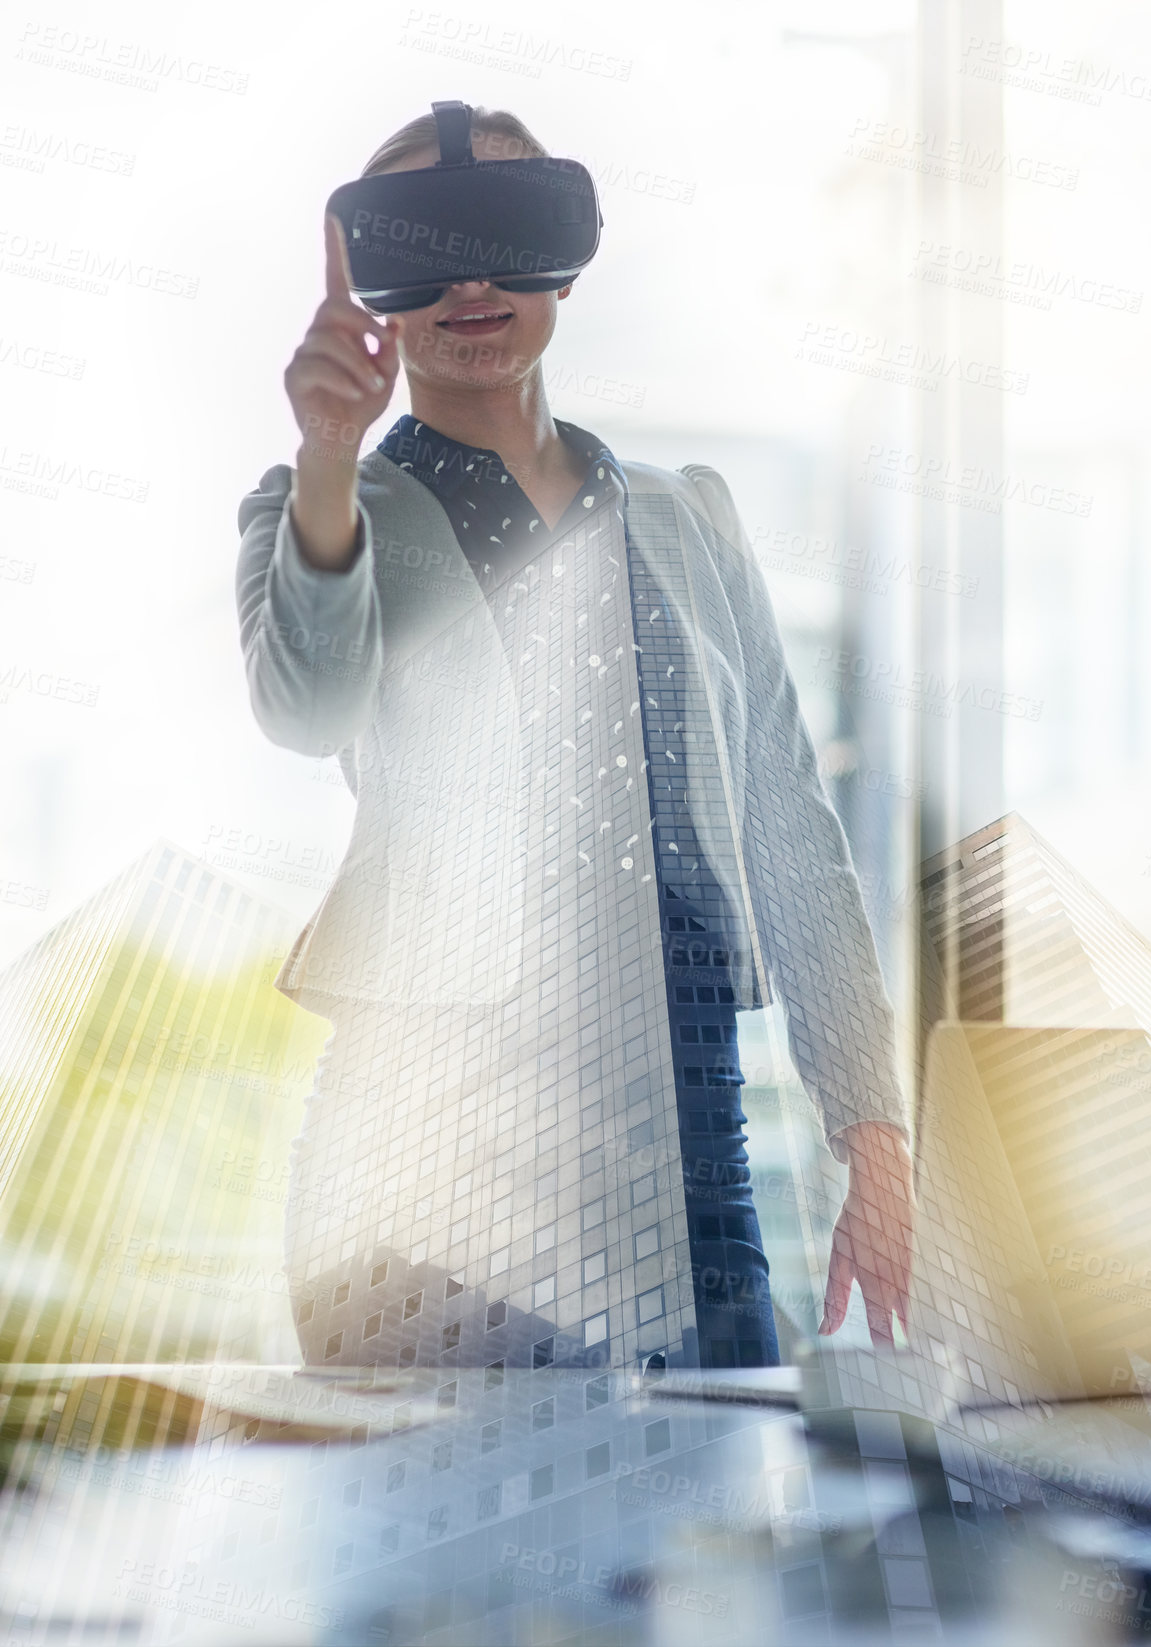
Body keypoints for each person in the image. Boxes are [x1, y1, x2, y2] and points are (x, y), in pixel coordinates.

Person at [236, 105, 914, 1371]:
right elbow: (304, 705)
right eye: (423, 253)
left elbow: (790, 828)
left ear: (569, 247)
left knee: (699, 1533)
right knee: (449, 1550)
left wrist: (869, 1128)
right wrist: (328, 459)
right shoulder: (316, 508)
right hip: (424, 1154)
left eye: (506, 234)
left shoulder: (692, 520)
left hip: (688, 1124)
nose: (472, 285)